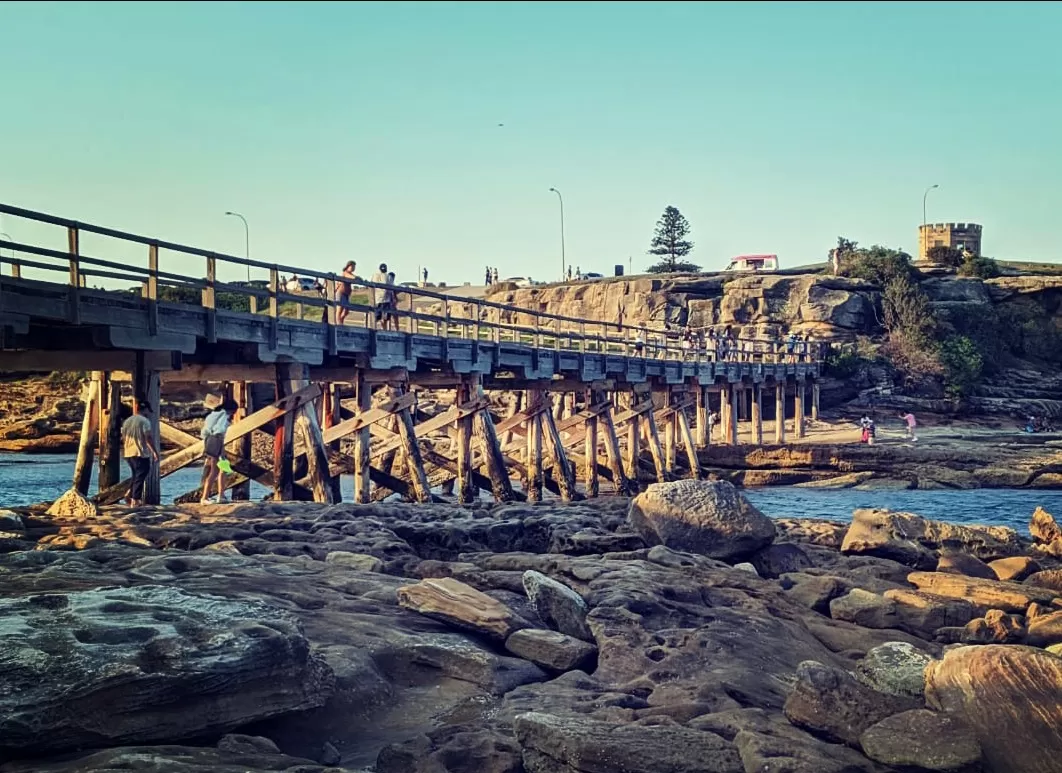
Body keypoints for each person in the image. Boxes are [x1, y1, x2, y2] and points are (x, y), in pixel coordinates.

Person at [121, 398, 159, 507]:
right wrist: (154, 452)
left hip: (128, 452)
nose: (148, 413)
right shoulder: (144, 421)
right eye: (147, 410)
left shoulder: (127, 421)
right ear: (145, 409)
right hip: (140, 452)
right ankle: (135, 499)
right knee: (141, 475)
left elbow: (123, 437)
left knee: (136, 475)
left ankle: (129, 494)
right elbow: (148, 437)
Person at [200, 399, 238, 504]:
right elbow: (219, 431)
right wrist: (221, 449)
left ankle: (221, 495)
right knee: (216, 471)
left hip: (209, 440)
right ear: (232, 410)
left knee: (221, 468)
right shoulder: (224, 416)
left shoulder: (213, 415)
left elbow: (205, 431)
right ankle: (205, 498)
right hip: (216, 440)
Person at [337, 260, 357, 325]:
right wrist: (357, 278)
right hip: (341, 292)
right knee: (340, 309)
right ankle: (338, 324)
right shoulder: (345, 273)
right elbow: (353, 278)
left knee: (346, 310)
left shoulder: (351, 274)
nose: (353, 268)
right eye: (352, 266)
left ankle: (341, 321)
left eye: (354, 267)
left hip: (346, 294)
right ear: (348, 266)